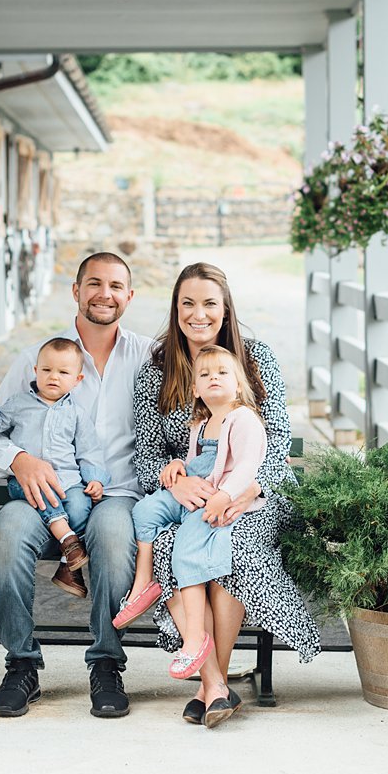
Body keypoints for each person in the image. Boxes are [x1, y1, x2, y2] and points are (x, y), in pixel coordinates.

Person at [132, 261, 321, 728]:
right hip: (189, 493)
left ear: (226, 308)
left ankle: (207, 682)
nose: (199, 314)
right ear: (175, 309)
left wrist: (243, 490)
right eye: (188, 304)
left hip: (256, 489)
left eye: (209, 303)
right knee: (172, 546)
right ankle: (215, 684)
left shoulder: (256, 358)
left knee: (232, 542)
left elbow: (276, 438)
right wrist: (174, 477)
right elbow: (146, 453)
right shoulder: (156, 369)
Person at [0, 251, 152, 719]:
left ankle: (106, 665)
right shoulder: (40, 357)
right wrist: (19, 459)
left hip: (114, 492)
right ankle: (21, 665)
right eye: (94, 283)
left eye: (116, 286)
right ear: (75, 291)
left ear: (129, 296)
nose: (105, 294)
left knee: (117, 542)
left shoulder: (148, 357)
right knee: (8, 538)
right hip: (41, 493)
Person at [115, 346, 266, 709]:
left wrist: (225, 496)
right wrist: (177, 465)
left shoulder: (244, 418)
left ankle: (195, 638)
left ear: (239, 384)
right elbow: (200, 462)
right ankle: (144, 582)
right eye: (205, 374)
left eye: (223, 373)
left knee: (185, 549)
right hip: (196, 489)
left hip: (220, 498)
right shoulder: (201, 423)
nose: (214, 378)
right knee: (146, 512)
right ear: (195, 388)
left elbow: (248, 465)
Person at [0, 337, 110, 598]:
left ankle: (68, 564)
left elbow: (89, 450)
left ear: (77, 380)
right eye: (46, 370)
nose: (53, 377)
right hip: (26, 482)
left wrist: (95, 479)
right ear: (35, 371)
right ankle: (68, 540)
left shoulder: (77, 413)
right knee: (44, 497)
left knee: (81, 506)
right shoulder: (19, 403)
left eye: (63, 372)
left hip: (67, 481)